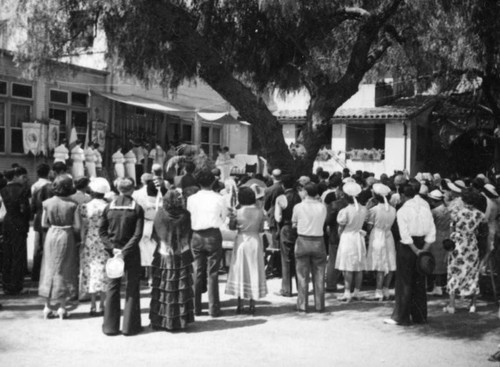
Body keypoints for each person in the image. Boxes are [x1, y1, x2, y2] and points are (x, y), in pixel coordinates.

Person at [384, 180, 436, 326]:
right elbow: (432, 232)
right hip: (422, 244)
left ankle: (400, 317)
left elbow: (404, 235)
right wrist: (423, 250)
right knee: (419, 281)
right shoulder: (425, 209)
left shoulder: (402, 211)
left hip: (408, 248)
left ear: (402, 195)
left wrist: (416, 250)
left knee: (404, 282)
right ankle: (420, 316)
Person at [99, 177, 144, 336]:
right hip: (130, 252)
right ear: (132, 189)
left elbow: (102, 232)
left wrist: (113, 249)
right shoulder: (137, 208)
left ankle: (110, 327)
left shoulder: (108, 207)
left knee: (113, 287)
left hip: (113, 252)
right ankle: (129, 327)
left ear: (118, 188)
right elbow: (137, 235)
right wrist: (124, 251)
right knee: (132, 287)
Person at [149, 190, 195, 331]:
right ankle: (180, 321)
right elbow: (188, 233)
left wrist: (165, 243)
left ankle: (162, 320)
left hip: (164, 253)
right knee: (180, 286)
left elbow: (156, 233)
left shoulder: (161, 214)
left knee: (164, 286)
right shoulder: (185, 215)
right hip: (182, 253)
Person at [38, 175, 79, 319]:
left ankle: (47, 306)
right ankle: (62, 307)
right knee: (64, 268)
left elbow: (43, 224)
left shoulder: (47, 202)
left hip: (51, 234)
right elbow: (78, 226)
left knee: (49, 267)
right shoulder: (73, 204)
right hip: (66, 234)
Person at [186, 169, 226, 317]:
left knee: (197, 271)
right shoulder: (219, 198)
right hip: (213, 234)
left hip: (196, 234)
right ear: (213, 181)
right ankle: (213, 308)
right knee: (213, 272)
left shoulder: (192, 199)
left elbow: (190, 216)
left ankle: (196, 307)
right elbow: (224, 217)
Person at [225, 187, 267, 314]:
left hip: (241, 240)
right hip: (255, 240)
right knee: (254, 269)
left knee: (240, 269)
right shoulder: (260, 212)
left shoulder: (238, 212)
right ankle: (252, 303)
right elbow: (261, 229)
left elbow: (232, 228)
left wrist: (232, 218)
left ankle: (239, 303)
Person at [444, 189, 485, 314]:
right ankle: (473, 305)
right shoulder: (480, 214)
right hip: (472, 244)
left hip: (458, 244)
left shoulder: (457, 213)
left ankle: (452, 305)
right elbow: (481, 231)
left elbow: (451, 228)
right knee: (472, 273)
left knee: (454, 272)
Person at [78, 177, 111, 317]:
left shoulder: (85, 206)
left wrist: (82, 241)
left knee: (90, 270)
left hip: (90, 240)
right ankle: (102, 305)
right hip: (104, 240)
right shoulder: (109, 207)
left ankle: (92, 305)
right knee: (103, 271)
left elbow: (83, 227)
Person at [292, 182, 327, 312]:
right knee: (319, 274)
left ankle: (302, 304)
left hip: (302, 240)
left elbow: (294, 224)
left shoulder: (298, 207)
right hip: (318, 240)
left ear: (306, 192)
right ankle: (319, 305)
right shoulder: (322, 207)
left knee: (302, 275)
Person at [335, 182, 368, 302]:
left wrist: (340, 237)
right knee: (358, 266)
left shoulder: (345, 211)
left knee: (348, 266)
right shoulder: (363, 209)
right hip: (359, 237)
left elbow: (340, 228)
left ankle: (347, 292)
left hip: (348, 237)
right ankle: (357, 292)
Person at [1, 167, 31, 295]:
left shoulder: (2, 190)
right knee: (18, 255)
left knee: (7, 253)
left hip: (7, 223)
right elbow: (25, 209)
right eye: (23, 177)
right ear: (15, 177)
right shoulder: (23, 190)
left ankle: (6, 283)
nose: (25, 180)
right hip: (19, 223)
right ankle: (16, 285)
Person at [365, 183, 396, 301]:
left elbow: (369, 227)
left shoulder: (374, 210)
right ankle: (386, 289)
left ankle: (378, 291)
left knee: (380, 264)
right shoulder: (393, 210)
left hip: (377, 235)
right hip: (389, 235)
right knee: (390, 261)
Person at [274, 174, 302, 297]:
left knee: (286, 259)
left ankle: (286, 289)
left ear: (282, 185)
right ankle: (301, 287)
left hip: (286, 228)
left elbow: (278, 217)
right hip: (300, 229)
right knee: (299, 259)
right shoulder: (301, 196)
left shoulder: (281, 198)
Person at [137, 180, 164, 287]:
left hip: (146, 226)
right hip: (159, 227)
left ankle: (149, 277)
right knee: (158, 252)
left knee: (146, 253)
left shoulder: (143, 201)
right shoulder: (161, 201)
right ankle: (158, 276)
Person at [427, 189, 450, 296]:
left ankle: (437, 287)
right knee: (443, 262)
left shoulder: (434, 212)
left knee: (435, 262)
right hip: (447, 236)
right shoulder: (448, 209)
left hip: (436, 237)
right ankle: (442, 285)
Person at [30, 163, 52, 281]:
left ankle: (36, 273)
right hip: (49, 217)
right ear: (48, 172)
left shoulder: (34, 185)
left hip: (38, 216)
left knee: (37, 245)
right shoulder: (51, 186)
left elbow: (32, 204)